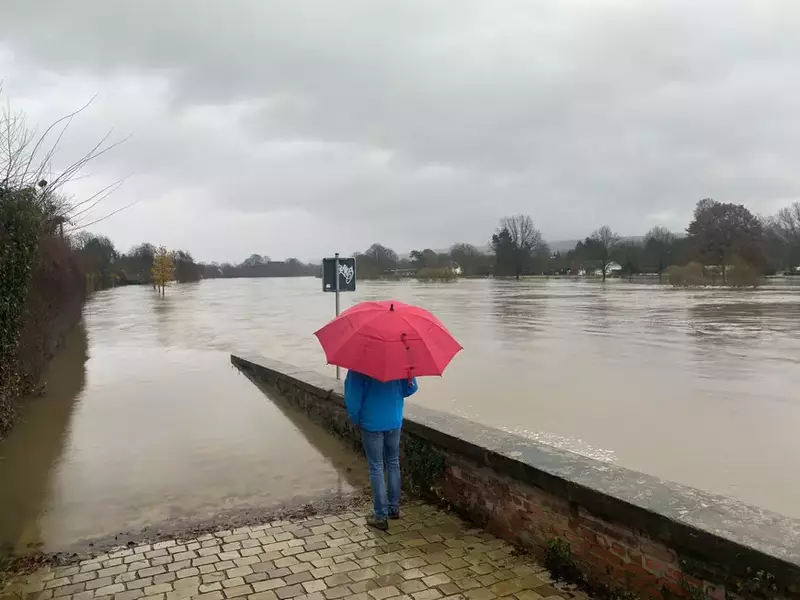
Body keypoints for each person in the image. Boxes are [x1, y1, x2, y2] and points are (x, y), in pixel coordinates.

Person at [344, 369, 418, 531]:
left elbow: (352, 397)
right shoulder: (399, 361)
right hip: (394, 420)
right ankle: (393, 508)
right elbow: (410, 389)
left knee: (376, 467)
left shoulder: (358, 366)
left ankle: (380, 516)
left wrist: (355, 418)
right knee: (393, 463)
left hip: (371, 423)